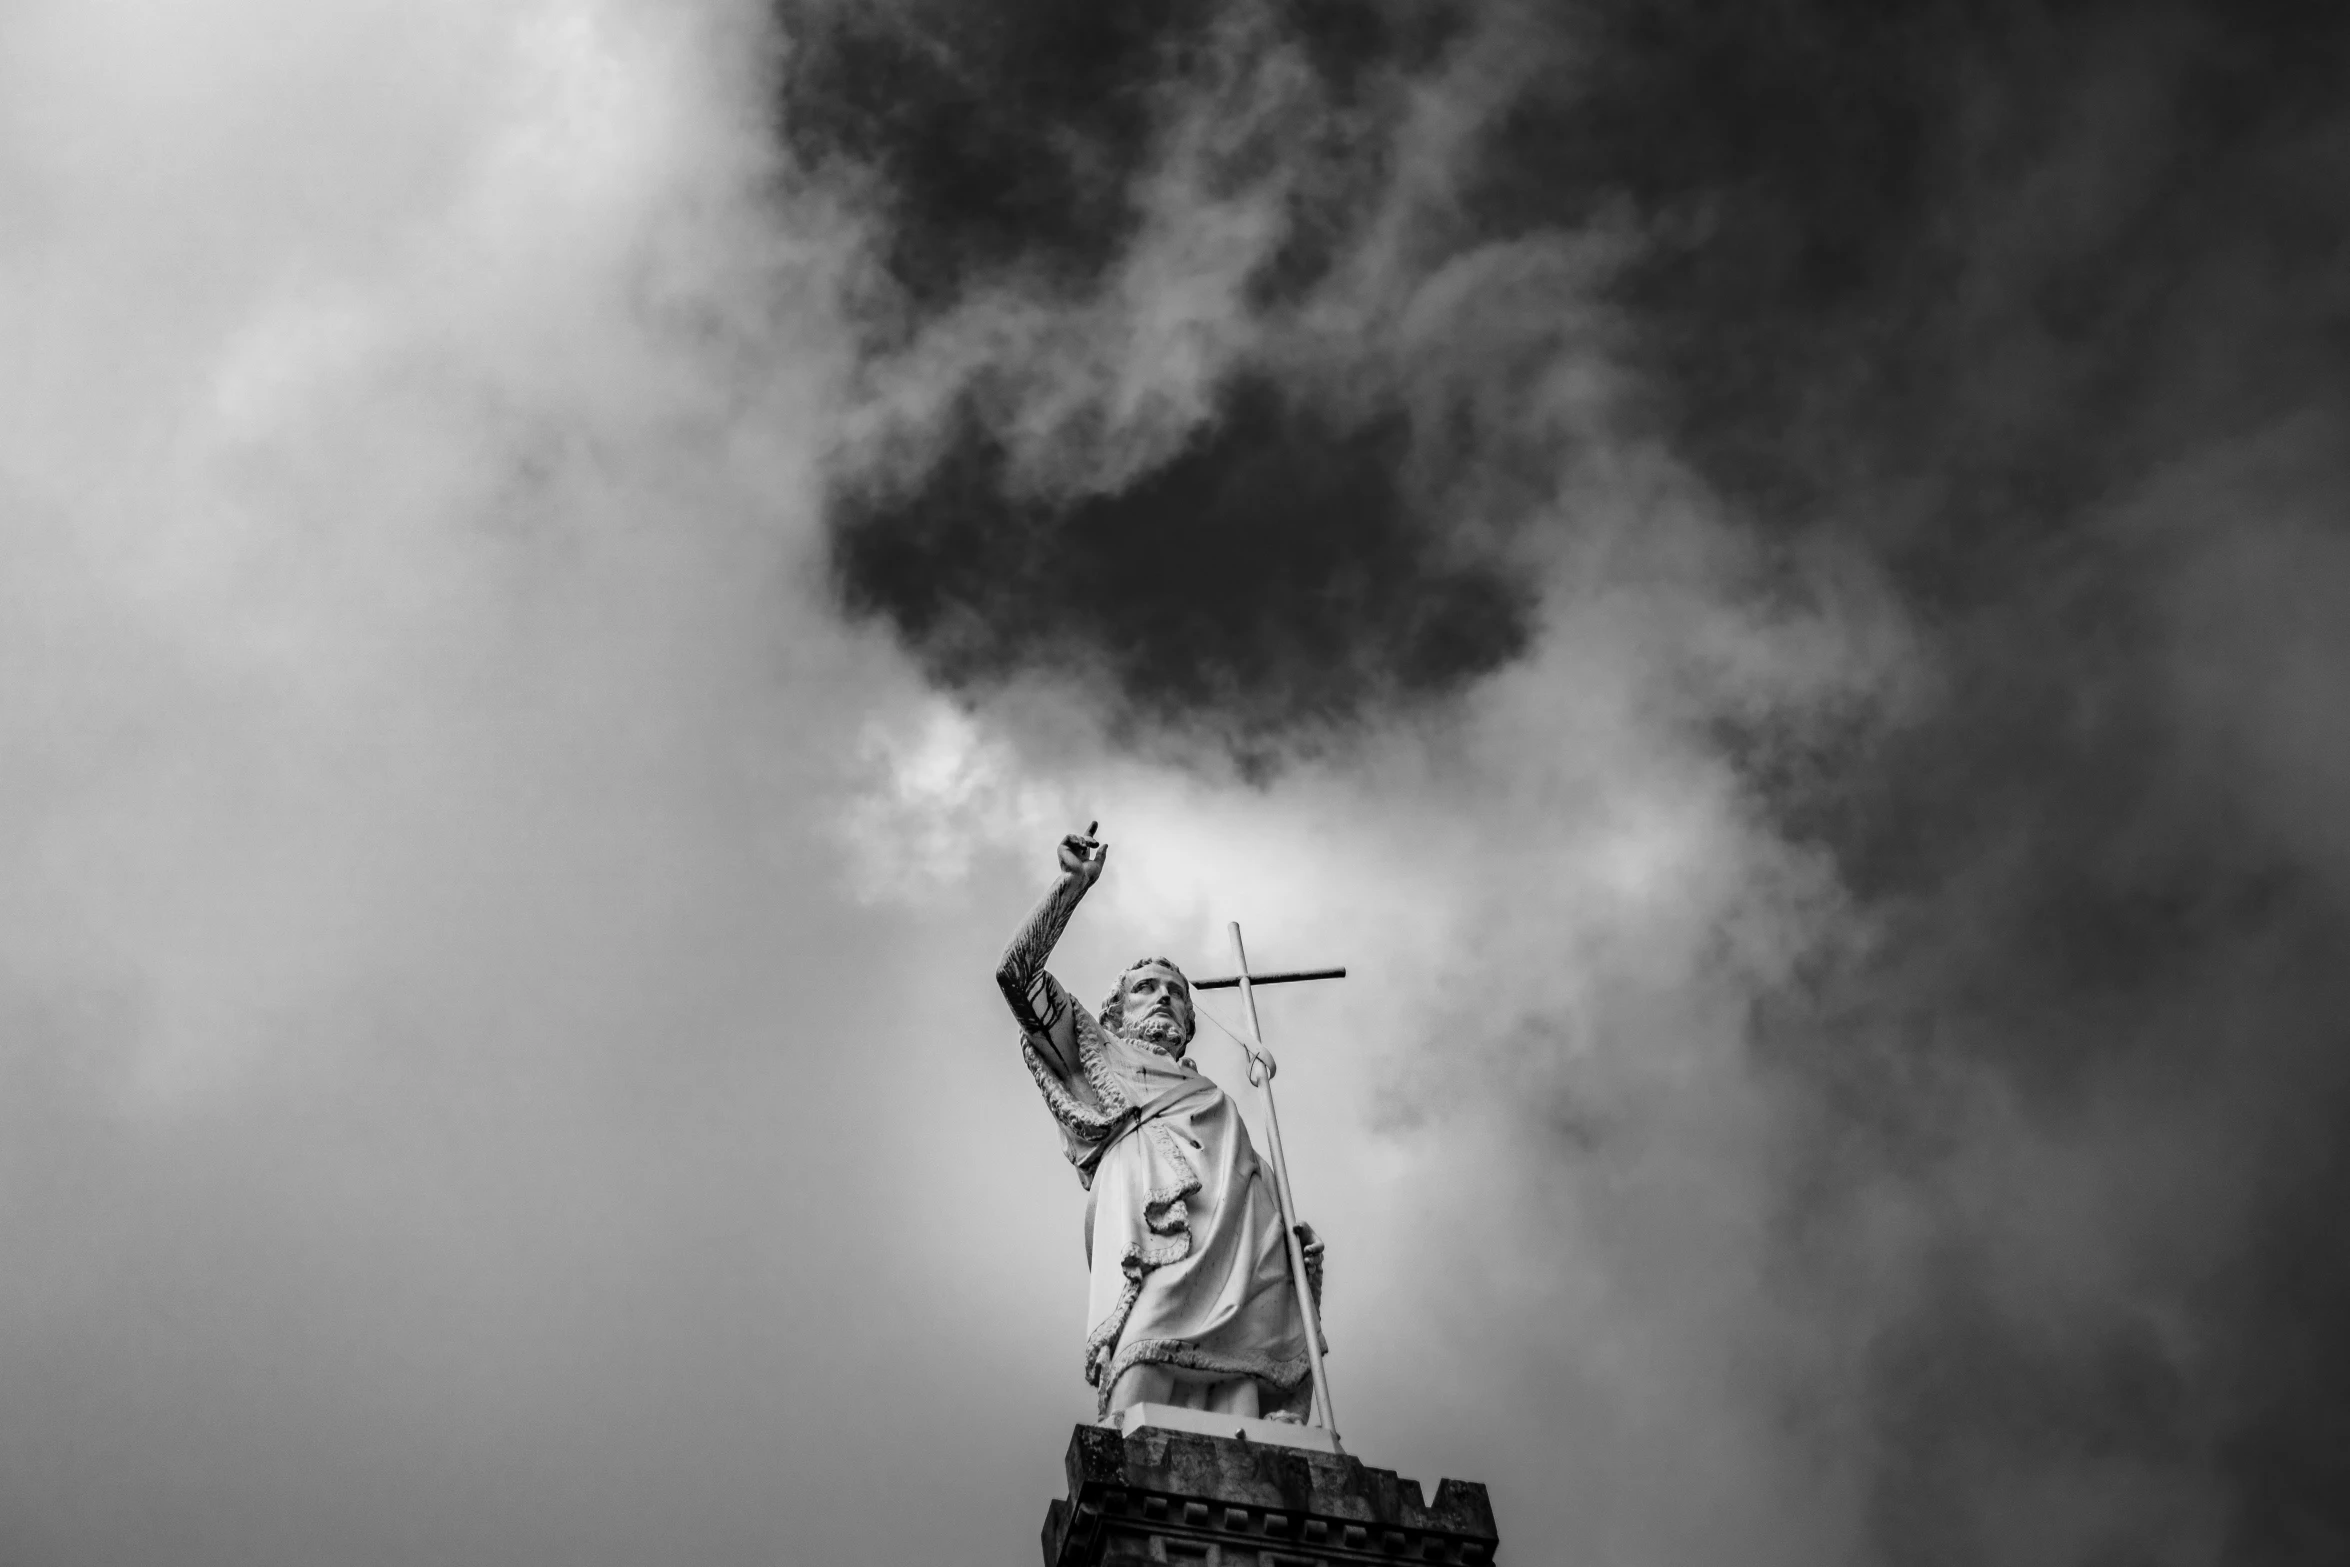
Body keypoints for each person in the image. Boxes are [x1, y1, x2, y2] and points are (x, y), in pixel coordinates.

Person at [996, 825, 1324, 1420]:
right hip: (1153, 1214)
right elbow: (1016, 978)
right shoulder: (1099, 1053)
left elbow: (1245, 1167)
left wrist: (1283, 1222)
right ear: (1117, 1012)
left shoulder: (1209, 1092)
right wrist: (1069, 888)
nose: (1165, 998)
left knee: (1241, 1372)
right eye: (1146, 988)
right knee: (1145, 1347)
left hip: (1240, 1234)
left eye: (1175, 991)